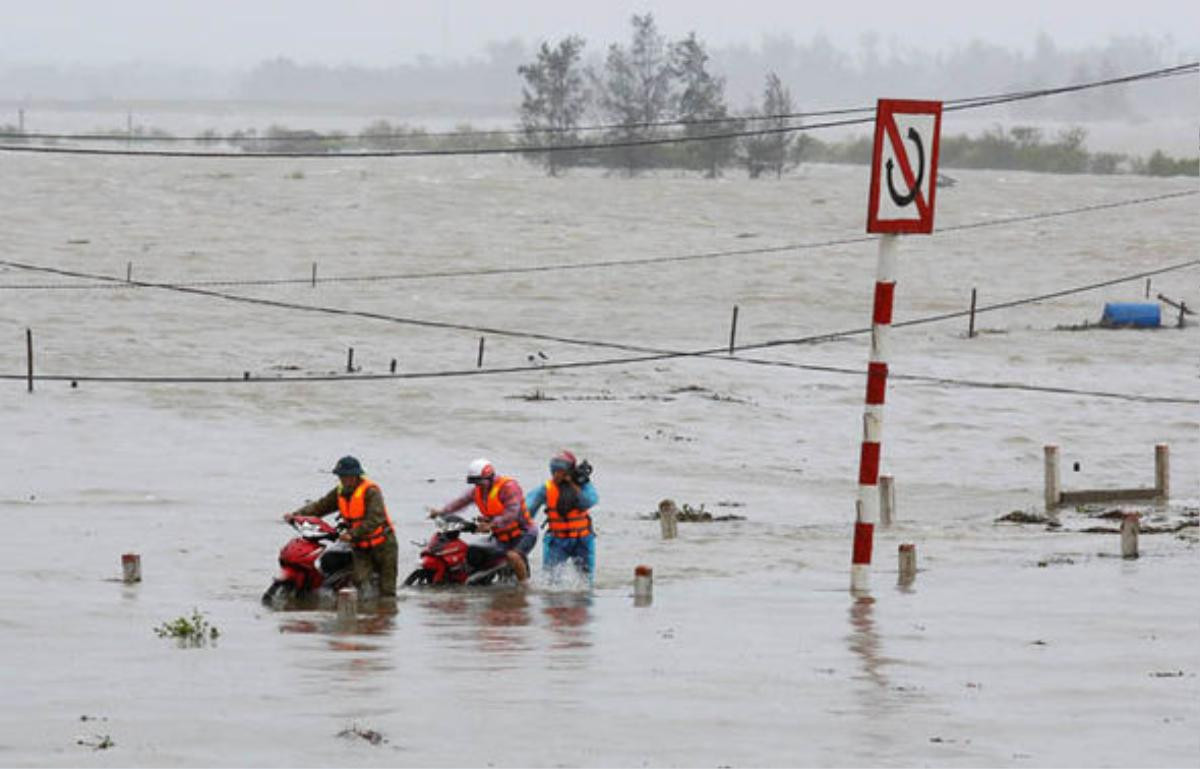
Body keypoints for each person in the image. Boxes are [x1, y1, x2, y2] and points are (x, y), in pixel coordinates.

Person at [283, 455, 398, 598]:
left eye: (347, 476)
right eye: (341, 476)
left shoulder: (371, 492)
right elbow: (320, 507)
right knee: (361, 581)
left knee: (387, 590)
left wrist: (352, 534)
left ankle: (386, 615)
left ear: (356, 475)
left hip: (383, 545)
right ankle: (365, 614)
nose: (344, 479)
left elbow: (375, 519)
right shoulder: (340, 491)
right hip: (360, 546)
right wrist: (296, 515)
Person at [427, 458, 535, 584]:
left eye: (479, 481)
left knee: (513, 556)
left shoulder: (508, 487)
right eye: (474, 482)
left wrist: (492, 524)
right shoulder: (478, 491)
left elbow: (512, 512)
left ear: (490, 477)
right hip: (500, 535)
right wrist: (442, 512)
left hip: (523, 533)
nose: (477, 485)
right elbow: (461, 502)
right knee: (474, 551)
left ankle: (524, 588)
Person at [526, 450, 598, 585]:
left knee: (586, 580)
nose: (556, 474)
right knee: (551, 580)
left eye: (560, 471)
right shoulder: (546, 489)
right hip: (557, 541)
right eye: (554, 470)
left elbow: (590, 501)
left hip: (582, 540)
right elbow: (528, 510)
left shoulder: (583, 485)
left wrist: (574, 485)